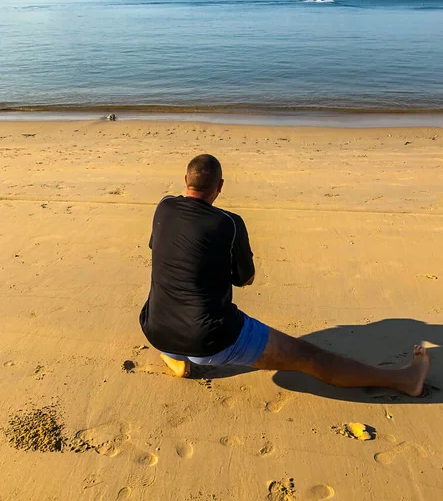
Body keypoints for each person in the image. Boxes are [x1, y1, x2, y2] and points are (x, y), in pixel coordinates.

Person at [139, 154, 430, 396]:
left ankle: (177, 357)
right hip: (209, 337)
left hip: (155, 328)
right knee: (311, 357)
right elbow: (245, 279)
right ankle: (405, 380)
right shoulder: (229, 222)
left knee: (178, 299)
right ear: (220, 186)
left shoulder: (164, 206)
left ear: (185, 182)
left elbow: (160, 248)